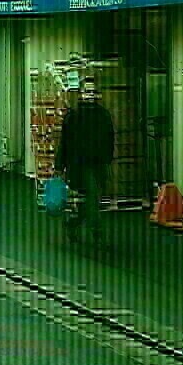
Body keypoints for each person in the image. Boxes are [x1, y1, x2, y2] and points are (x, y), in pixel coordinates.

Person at [53, 77, 116, 248]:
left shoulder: (103, 116)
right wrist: (59, 166)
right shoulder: (73, 117)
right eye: (87, 91)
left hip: (99, 164)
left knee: (90, 199)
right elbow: (64, 143)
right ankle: (97, 232)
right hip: (79, 166)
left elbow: (110, 139)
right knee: (93, 194)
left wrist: (108, 160)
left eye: (93, 91)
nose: (90, 95)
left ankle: (73, 224)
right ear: (80, 94)